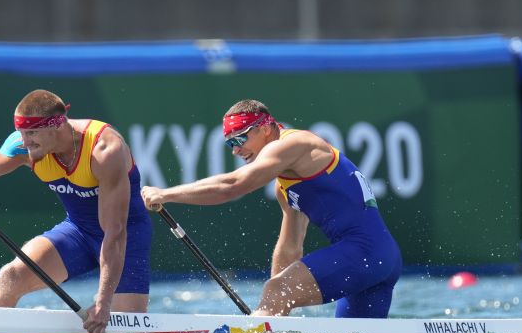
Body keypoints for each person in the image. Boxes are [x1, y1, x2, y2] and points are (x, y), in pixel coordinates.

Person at [140, 99, 402, 318]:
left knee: (277, 290)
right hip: (379, 259)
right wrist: (273, 314)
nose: (236, 150)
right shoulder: (285, 186)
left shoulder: (295, 144)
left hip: (364, 252)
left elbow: (233, 185)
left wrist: (166, 194)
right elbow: (290, 247)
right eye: (230, 143)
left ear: (265, 128)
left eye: (240, 138)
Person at [0, 90, 152, 333]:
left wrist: (103, 302)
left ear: (58, 124)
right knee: (11, 277)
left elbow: (115, 231)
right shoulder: (25, 147)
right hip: (79, 231)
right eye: (21, 132)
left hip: (126, 238)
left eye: (31, 133)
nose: (24, 141)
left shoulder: (105, 149)